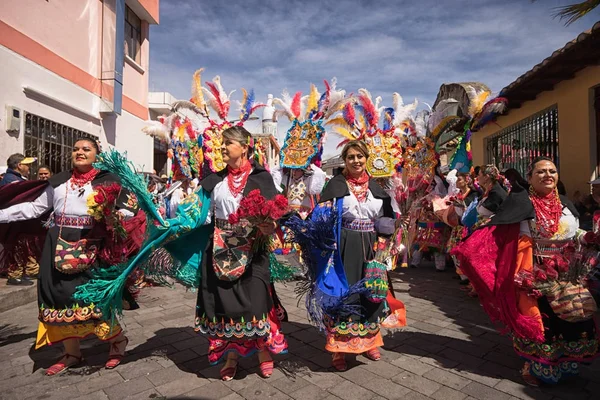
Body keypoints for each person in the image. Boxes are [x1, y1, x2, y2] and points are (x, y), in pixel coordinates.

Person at [453, 156, 599, 386]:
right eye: (541, 171)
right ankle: (536, 366)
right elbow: (498, 232)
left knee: (571, 315)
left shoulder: (564, 203)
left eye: (552, 171)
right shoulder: (521, 203)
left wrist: (587, 236)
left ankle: (567, 364)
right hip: (533, 273)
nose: (547, 175)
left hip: (567, 272)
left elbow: (573, 232)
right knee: (542, 321)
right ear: (530, 177)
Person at [0, 138, 138, 375]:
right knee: (57, 297)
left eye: (86, 149)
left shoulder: (108, 181)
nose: (79, 152)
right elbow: (34, 208)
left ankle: (116, 341)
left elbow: (130, 208)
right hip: (57, 244)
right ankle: (72, 353)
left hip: (92, 244)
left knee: (94, 299)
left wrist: (115, 216)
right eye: (75, 149)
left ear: (97, 154)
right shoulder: (59, 181)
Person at [196, 126, 287, 381]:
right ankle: (232, 355)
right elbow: (201, 216)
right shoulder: (215, 181)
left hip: (254, 249)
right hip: (220, 249)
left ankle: (263, 354)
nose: (222, 148)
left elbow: (277, 213)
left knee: (256, 301)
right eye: (222, 144)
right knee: (225, 305)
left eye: (228, 143)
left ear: (244, 146)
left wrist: (271, 224)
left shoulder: (262, 178)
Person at [304, 140, 402, 371]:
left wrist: (384, 245)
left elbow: (385, 221)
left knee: (371, 293)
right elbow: (321, 217)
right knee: (343, 295)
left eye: (360, 156)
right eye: (351, 157)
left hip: (370, 246)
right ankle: (338, 349)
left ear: (366, 158)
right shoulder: (336, 186)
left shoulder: (378, 189)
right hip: (343, 247)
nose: (356, 161)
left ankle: (369, 343)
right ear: (344, 161)